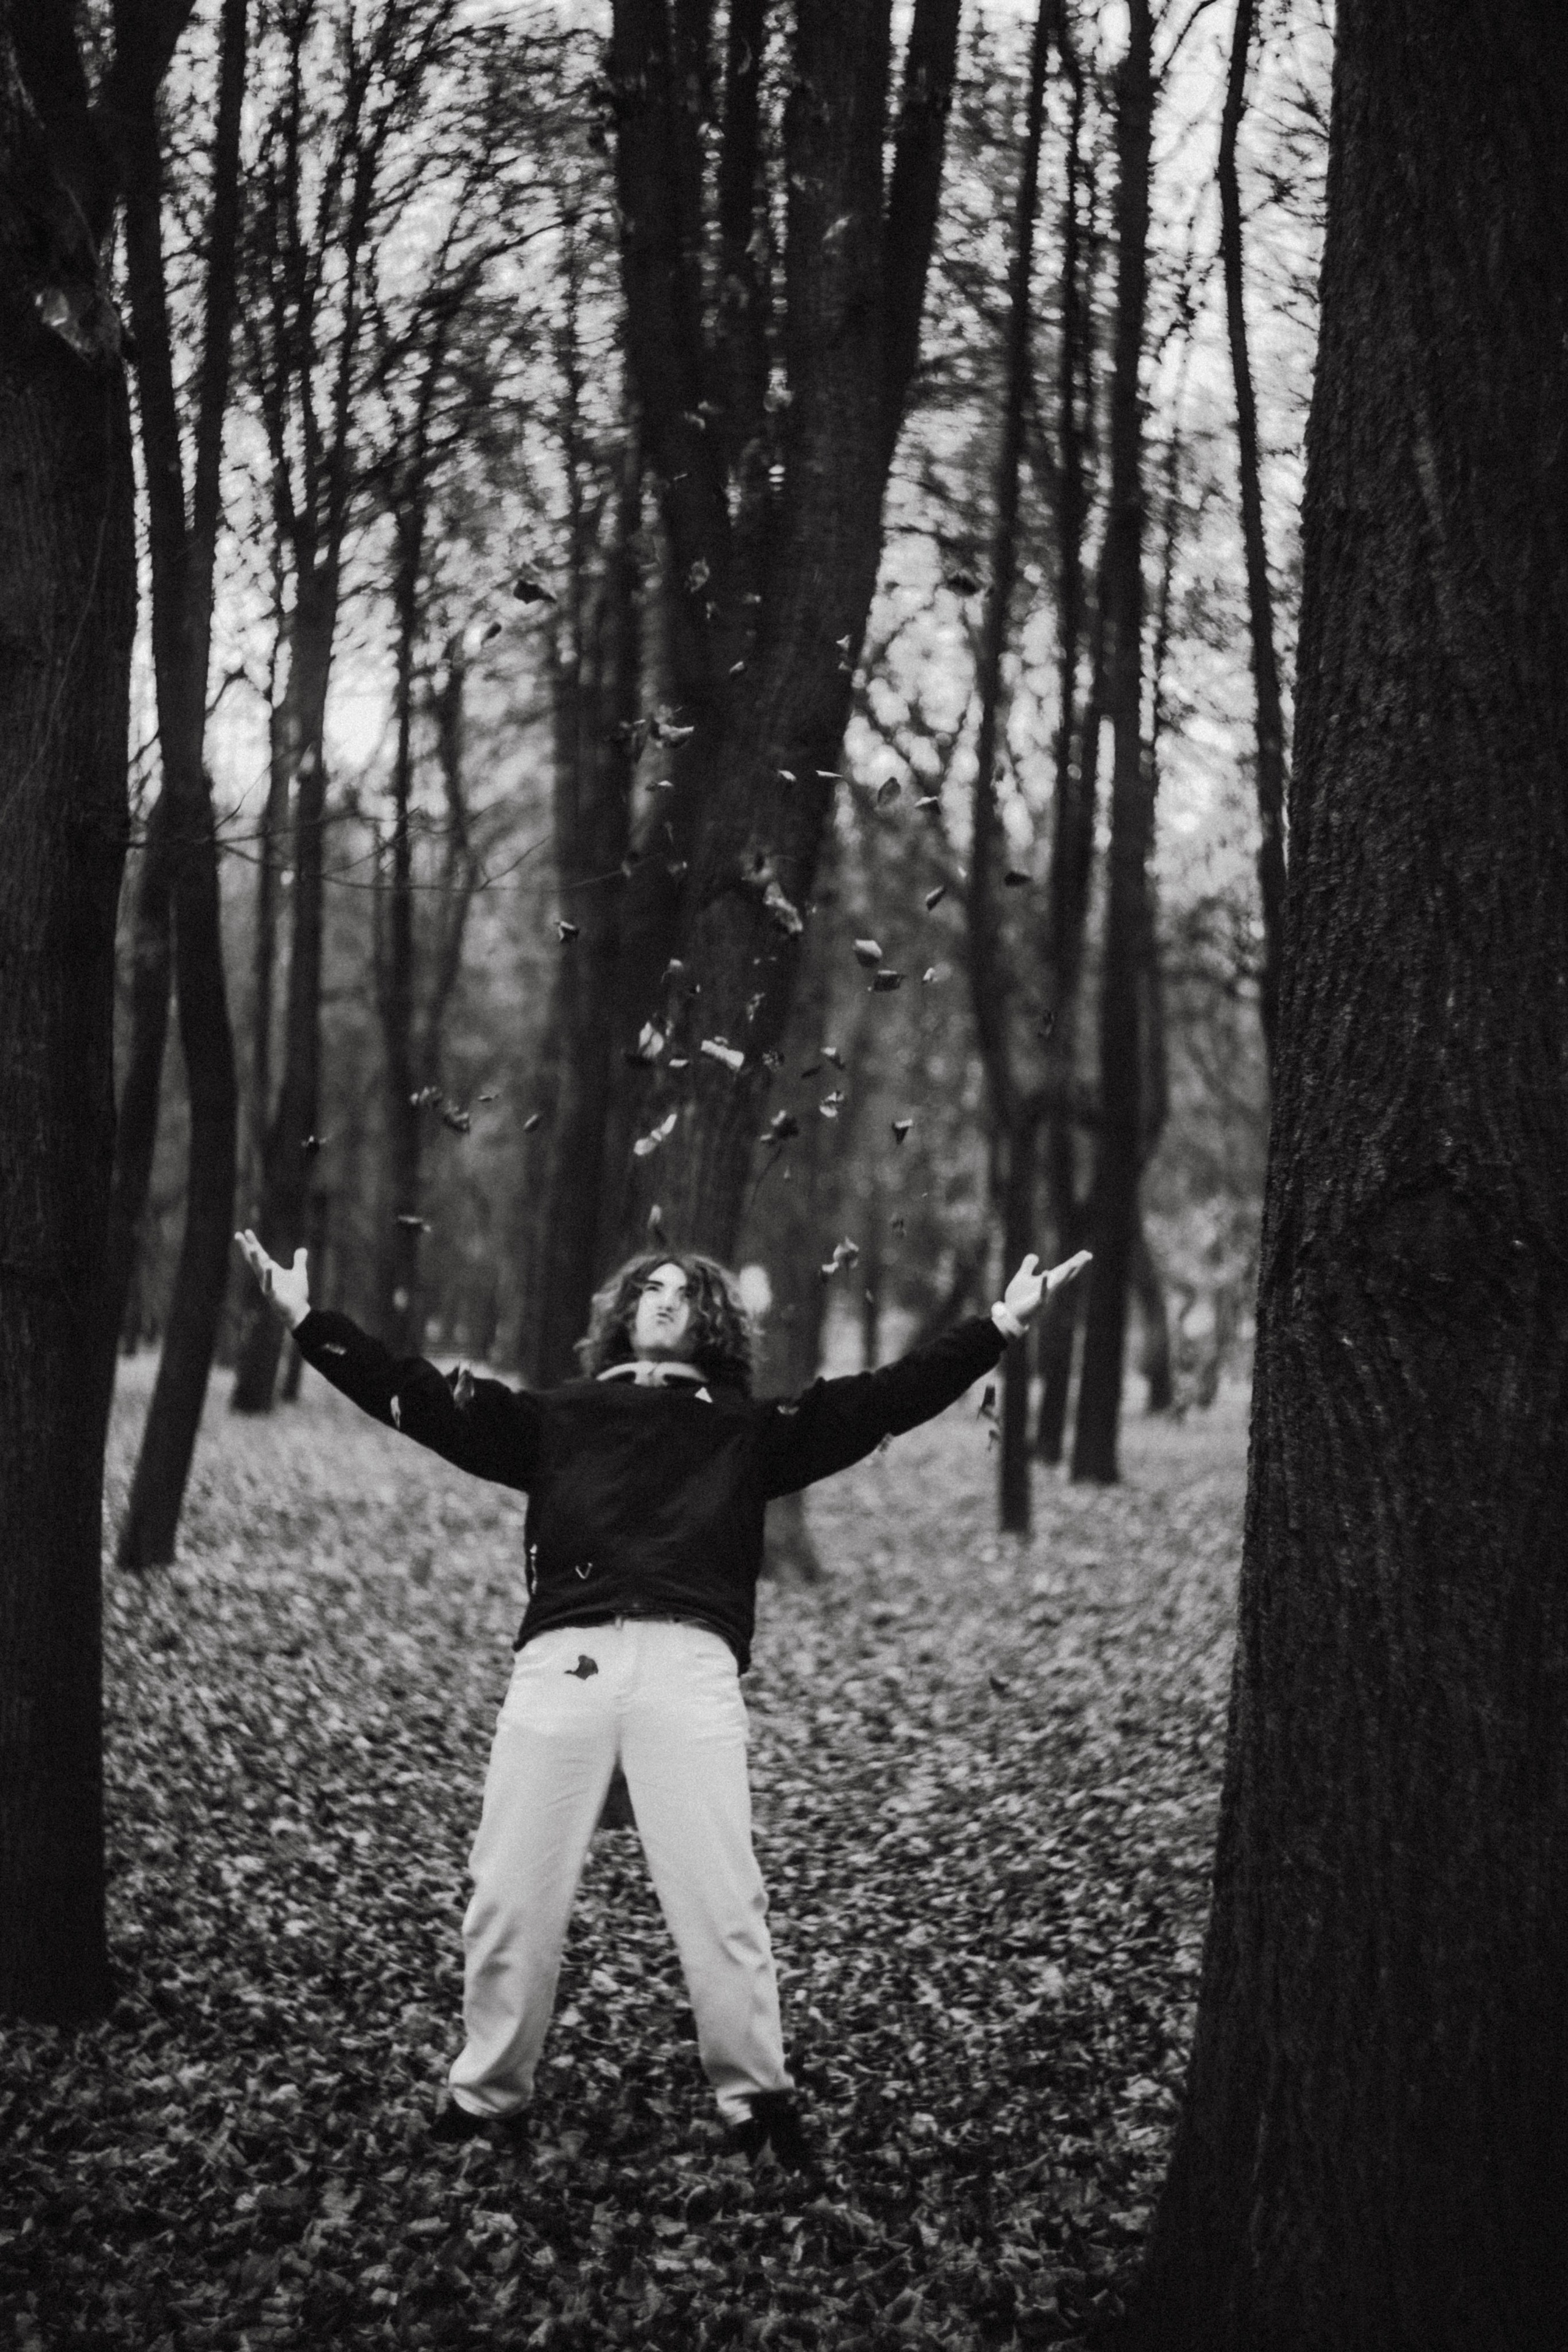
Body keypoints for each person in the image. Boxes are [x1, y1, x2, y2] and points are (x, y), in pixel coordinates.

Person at [235, 1227, 1090, 2177]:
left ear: (712, 1321)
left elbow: (879, 1400)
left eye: (687, 1290)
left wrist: (1002, 1325)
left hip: (689, 1666)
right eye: (652, 1285)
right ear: (625, 1312)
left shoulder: (746, 1427)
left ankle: (755, 2101)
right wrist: (311, 1325)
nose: (667, 1296)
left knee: (722, 1900)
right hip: (564, 1662)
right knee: (508, 1896)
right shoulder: (558, 1417)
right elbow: (427, 1402)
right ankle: (485, 2100)